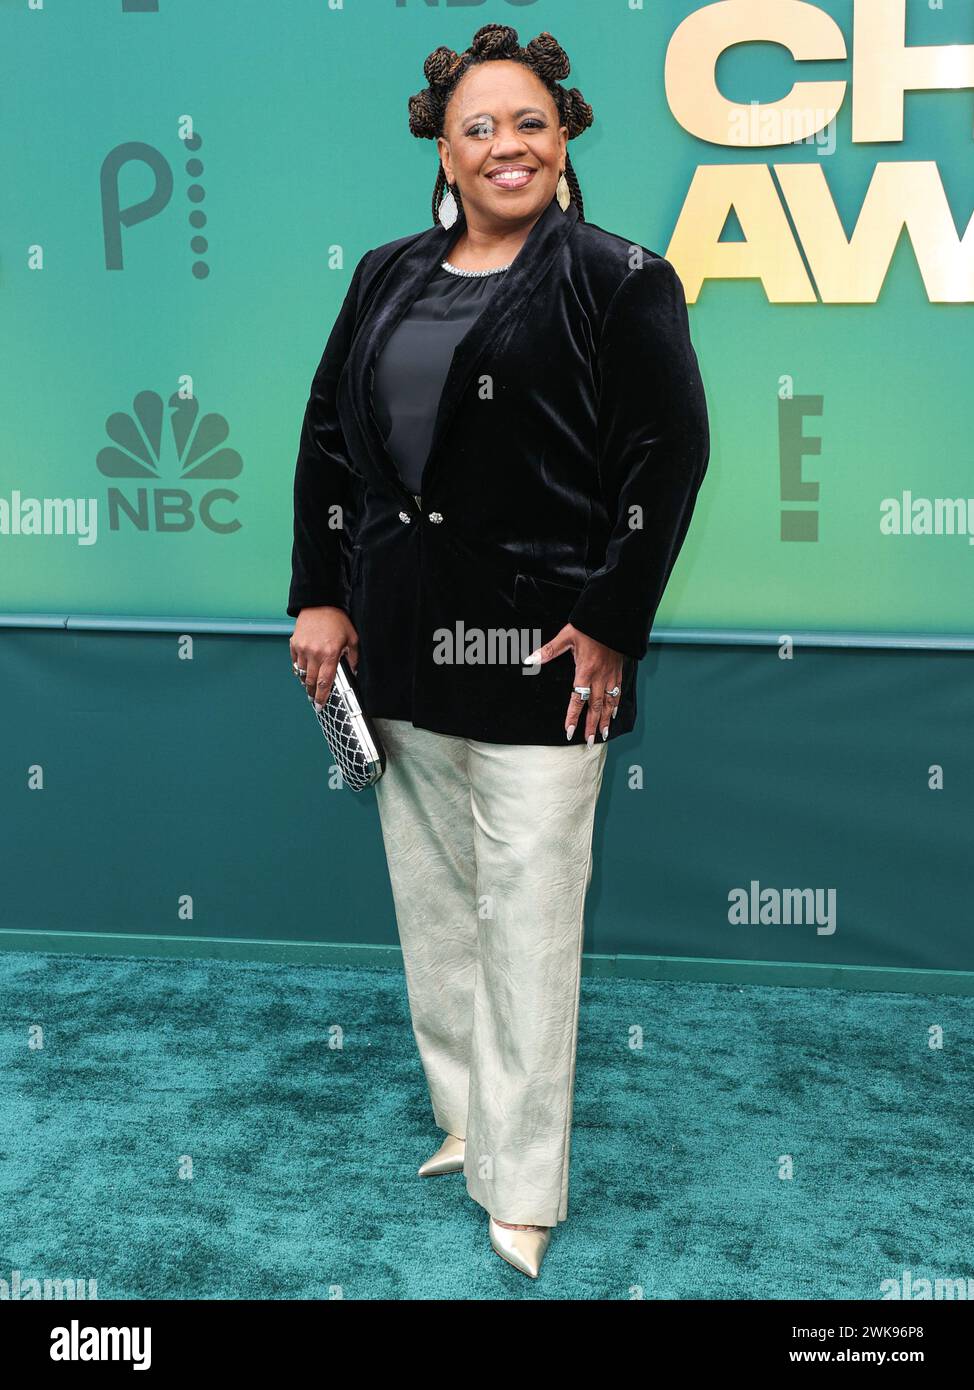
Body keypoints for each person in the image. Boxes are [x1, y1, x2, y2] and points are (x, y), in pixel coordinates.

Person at [287, 22, 710, 1279]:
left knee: (525, 914)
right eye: (478, 126)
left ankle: (520, 1184)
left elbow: (664, 459)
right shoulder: (381, 274)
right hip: (399, 642)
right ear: (445, 150)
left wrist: (613, 620)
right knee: (435, 902)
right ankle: (468, 1118)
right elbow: (326, 441)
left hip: (544, 657)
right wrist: (322, 593)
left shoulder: (619, 276)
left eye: (528, 120)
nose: (504, 144)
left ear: (563, 134)